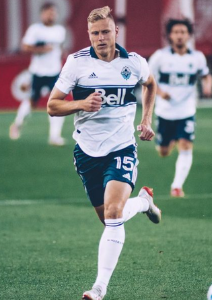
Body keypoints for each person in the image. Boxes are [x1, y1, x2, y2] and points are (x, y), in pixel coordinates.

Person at [47, 6, 161, 300]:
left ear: (116, 32)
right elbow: (52, 105)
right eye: (95, 33)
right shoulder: (76, 64)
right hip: (86, 152)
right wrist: (80, 104)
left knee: (113, 214)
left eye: (105, 31)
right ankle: (144, 202)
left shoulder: (134, 63)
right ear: (89, 35)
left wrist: (146, 119)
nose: (100, 37)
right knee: (112, 217)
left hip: (122, 147)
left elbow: (150, 84)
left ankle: (99, 288)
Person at [148, 18, 212, 197]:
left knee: (186, 145)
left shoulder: (197, 58)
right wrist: (160, 93)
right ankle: (170, 141)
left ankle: (177, 186)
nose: (179, 36)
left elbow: (206, 76)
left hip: (186, 111)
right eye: (176, 32)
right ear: (169, 35)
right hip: (165, 112)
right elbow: (147, 79)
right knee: (163, 152)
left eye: (183, 32)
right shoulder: (160, 57)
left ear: (189, 35)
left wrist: (208, 85)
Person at [9, 2, 66, 146]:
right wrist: (41, 49)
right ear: (42, 14)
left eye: (53, 12)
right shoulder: (35, 29)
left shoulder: (60, 30)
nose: (51, 15)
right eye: (48, 12)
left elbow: (60, 49)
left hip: (54, 72)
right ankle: (17, 124)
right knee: (32, 101)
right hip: (38, 71)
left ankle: (54, 136)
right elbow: (25, 46)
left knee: (58, 102)